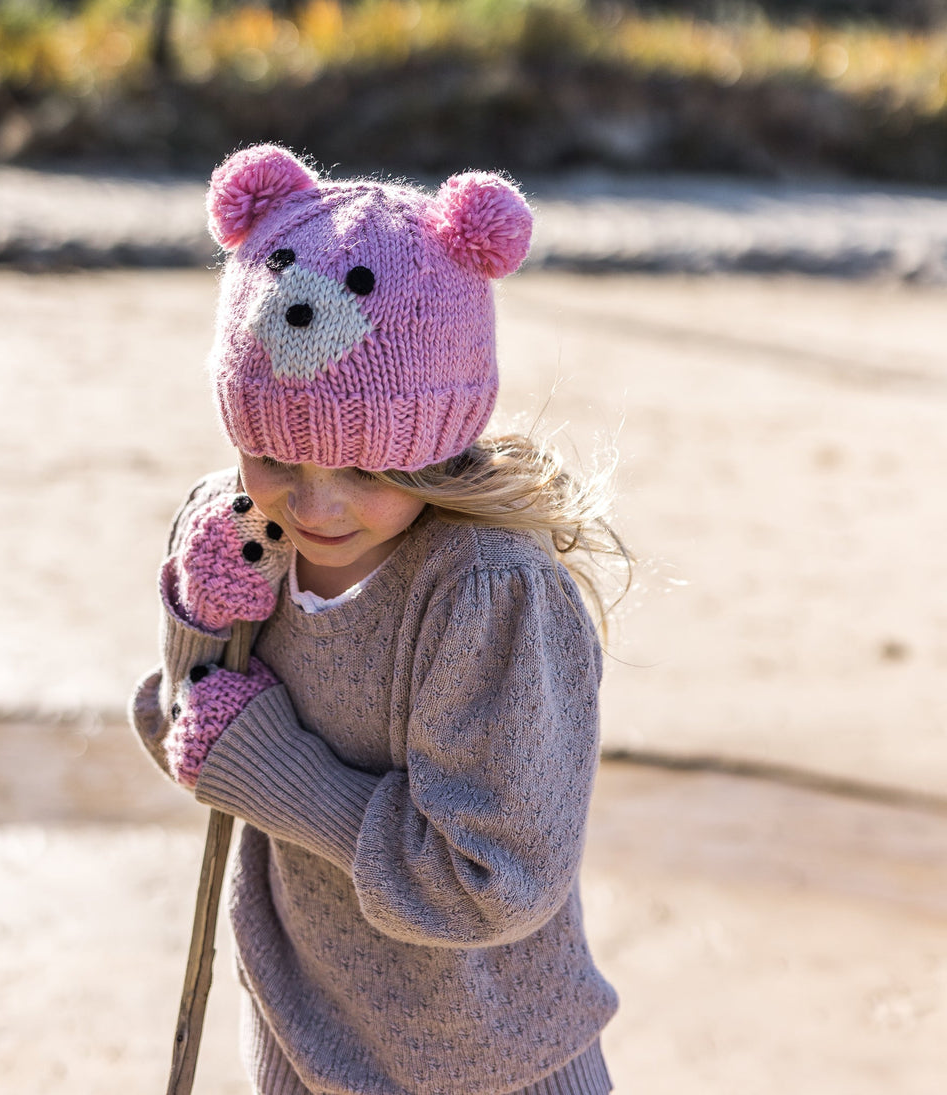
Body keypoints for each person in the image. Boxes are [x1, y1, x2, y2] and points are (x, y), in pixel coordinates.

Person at [131, 143, 629, 1095]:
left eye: (367, 469)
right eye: (273, 454)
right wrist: (199, 621)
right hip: (297, 1026)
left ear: (438, 443)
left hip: (484, 1058)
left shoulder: (489, 594)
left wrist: (271, 770)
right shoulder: (242, 524)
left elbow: (493, 876)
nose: (314, 505)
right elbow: (188, 728)